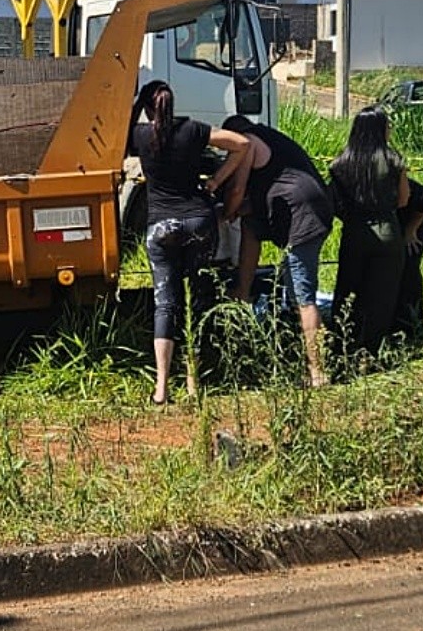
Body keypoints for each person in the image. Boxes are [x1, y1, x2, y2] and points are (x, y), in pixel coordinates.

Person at [131, 80, 250, 405]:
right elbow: (241, 144)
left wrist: (134, 111)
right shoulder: (193, 129)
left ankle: (161, 389)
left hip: (161, 227)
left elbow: (117, 139)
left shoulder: (140, 136)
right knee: (198, 298)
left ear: (147, 107)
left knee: (166, 303)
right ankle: (194, 383)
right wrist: (216, 180)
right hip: (198, 222)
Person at [221, 114, 335, 388]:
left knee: (301, 295)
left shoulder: (247, 143)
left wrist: (225, 213)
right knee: (252, 226)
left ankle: (317, 371)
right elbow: (254, 210)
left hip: (303, 215)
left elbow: (237, 190)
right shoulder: (271, 139)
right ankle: (243, 291)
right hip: (311, 206)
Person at [327, 106, 411, 364]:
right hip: (387, 232)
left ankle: (340, 347)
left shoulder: (340, 163)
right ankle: (371, 352)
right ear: (380, 129)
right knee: (381, 295)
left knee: (347, 289)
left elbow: (334, 203)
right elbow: (404, 199)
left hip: (354, 233)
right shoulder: (393, 160)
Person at [392, 176, 423, 342]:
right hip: (392, 219)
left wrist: (411, 230)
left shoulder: (394, 180)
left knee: (408, 266)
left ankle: (412, 325)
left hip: (416, 216)